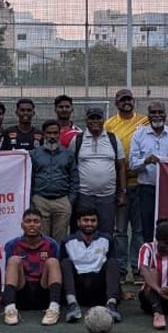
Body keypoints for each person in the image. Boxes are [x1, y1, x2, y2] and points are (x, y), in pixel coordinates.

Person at [105, 88, 148, 275]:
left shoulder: (144, 121)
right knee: (120, 230)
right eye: (122, 100)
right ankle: (122, 269)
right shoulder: (109, 124)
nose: (126, 102)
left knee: (138, 230)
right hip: (119, 184)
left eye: (129, 99)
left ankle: (137, 268)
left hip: (141, 182)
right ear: (116, 103)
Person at [129, 101, 168, 252]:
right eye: (153, 112)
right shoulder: (139, 135)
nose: (157, 115)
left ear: (165, 114)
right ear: (148, 115)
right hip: (147, 189)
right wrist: (146, 160)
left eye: (160, 112)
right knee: (147, 227)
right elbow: (132, 164)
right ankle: (149, 259)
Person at [2, 209, 66, 325]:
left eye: (36, 221)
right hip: (22, 291)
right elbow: (8, 271)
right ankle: (10, 309)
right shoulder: (12, 244)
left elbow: (57, 272)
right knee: (14, 260)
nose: (32, 224)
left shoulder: (51, 244)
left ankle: (54, 308)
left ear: (42, 225)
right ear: (22, 225)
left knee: (53, 261)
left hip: (43, 291)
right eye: (28, 221)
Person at [70, 107, 125, 240]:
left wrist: (122, 192)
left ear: (103, 120)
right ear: (86, 120)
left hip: (107, 196)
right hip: (84, 196)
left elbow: (122, 166)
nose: (95, 121)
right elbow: (71, 166)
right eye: (92, 118)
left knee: (106, 233)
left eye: (98, 118)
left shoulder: (113, 139)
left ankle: (105, 260)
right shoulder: (77, 140)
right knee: (81, 233)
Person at [60, 207, 122, 321]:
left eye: (93, 221)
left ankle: (112, 305)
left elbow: (112, 270)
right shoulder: (68, 241)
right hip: (78, 287)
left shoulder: (107, 239)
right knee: (65, 263)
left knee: (113, 262)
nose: (89, 224)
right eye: (86, 220)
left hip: (99, 288)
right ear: (78, 222)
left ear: (97, 222)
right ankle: (72, 305)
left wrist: (119, 291)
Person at [29, 120, 77, 243]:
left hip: (62, 201)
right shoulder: (34, 154)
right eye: (49, 133)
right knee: (41, 239)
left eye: (55, 133)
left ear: (59, 134)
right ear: (44, 134)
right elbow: (30, 178)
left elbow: (74, 178)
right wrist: (32, 199)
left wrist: (70, 200)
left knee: (60, 239)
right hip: (40, 200)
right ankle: (44, 262)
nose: (52, 136)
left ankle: (57, 262)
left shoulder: (68, 155)